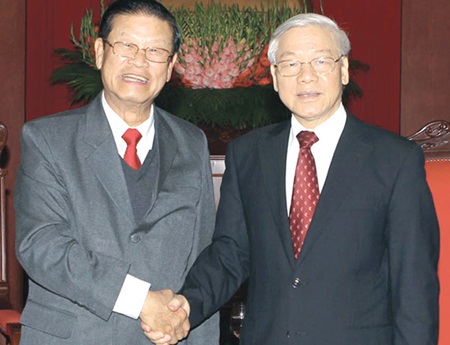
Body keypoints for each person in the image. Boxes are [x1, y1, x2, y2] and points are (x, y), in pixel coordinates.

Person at [148, 12, 440, 345]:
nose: (306, 77)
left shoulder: (394, 159)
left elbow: (413, 285)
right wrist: (186, 304)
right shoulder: (248, 154)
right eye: (290, 64)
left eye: (320, 61)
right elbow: (231, 253)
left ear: (343, 70)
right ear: (274, 76)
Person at [14, 0, 218, 344]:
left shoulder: (191, 141)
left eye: (155, 51)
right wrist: (139, 300)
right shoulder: (47, 139)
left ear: (170, 68)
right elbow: (41, 245)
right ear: (99, 52)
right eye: (126, 45)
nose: (139, 61)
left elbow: (201, 256)